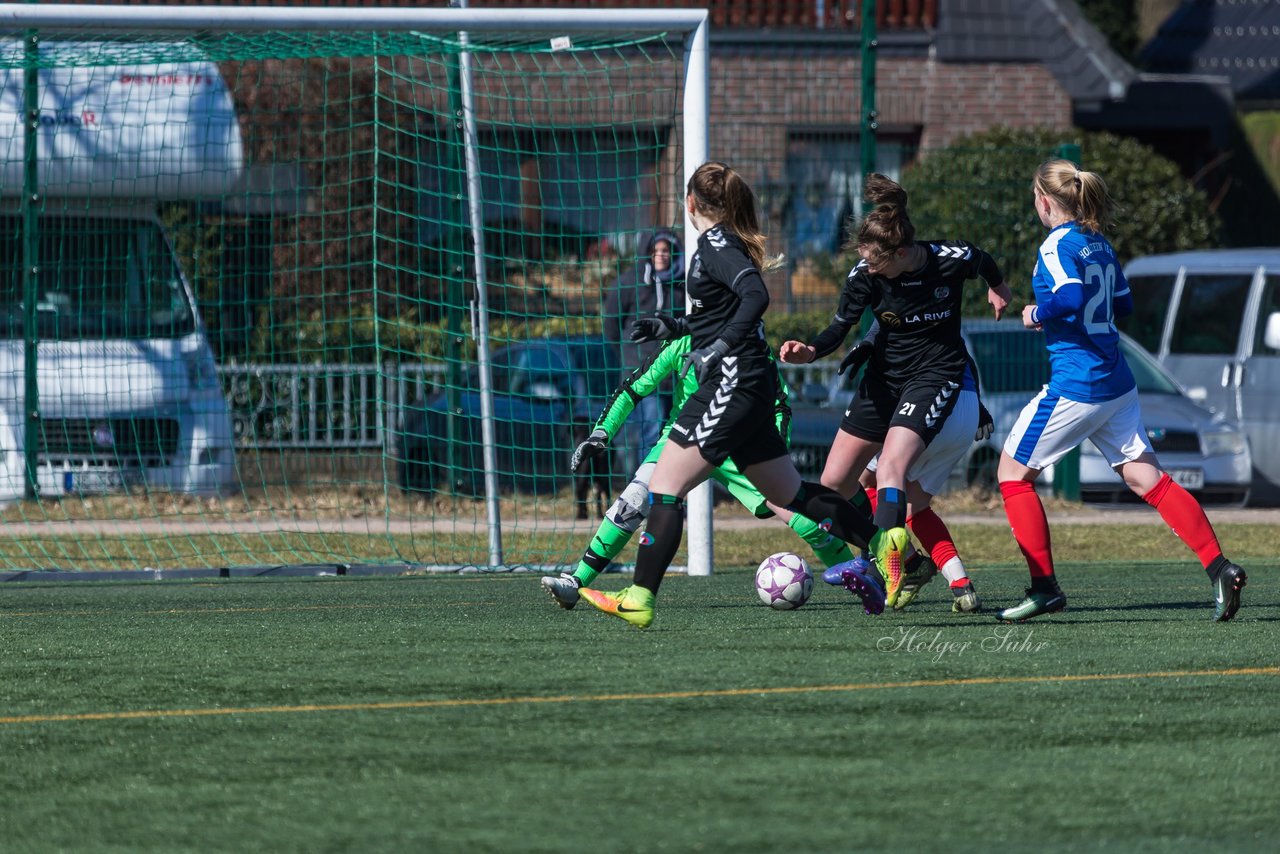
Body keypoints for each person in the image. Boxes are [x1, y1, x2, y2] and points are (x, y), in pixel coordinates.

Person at [575, 161, 883, 629]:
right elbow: (721, 311)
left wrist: (718, 347)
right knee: (792, 494)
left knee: (664, 486)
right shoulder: (723, 243)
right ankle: (885, 547)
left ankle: (639, 596)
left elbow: (755, 296)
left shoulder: (714, 244)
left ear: (691, 203)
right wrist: (674, 326)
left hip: (732, 381)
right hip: (748, 382)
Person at [995, 159, 1247, 622]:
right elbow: (1124, 303)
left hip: (1078, 383)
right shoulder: (1099, 243)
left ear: (1044, 200)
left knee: (1012, 475)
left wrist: (1035, 313)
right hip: (1117, 382)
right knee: (1146, 478)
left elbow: (1068, 298)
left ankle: (1044, 587)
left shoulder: (1056, 244)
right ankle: (1220, 567)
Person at [779, 174, 1011, 609]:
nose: (867, 266)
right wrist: (809, 351)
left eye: (875, 260)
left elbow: (983, 261)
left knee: (891, 468)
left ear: (903, 254)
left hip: (935, 374)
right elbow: (838, 329)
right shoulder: (864, 277)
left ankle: (878, 564)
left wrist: (998, 289)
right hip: (883, 379)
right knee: (832, 485)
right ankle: (908, 562)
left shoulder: (948, 259)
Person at [540, 328, 860, 611]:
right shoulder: (681, 343)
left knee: (805, 521)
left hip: (738, 444)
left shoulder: (749, 344)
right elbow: (633, 388)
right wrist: (602, 432)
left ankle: (864, 579)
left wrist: (774, 445)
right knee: (633, 501)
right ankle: (576, 582)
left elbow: (779, 403)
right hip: (682, 440)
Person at [603, 229, 685, 472]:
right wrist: (630, 356)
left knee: (673, 435)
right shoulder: (629, 282)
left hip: (674, 375)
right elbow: (611, 325)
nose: (661, 255)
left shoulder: (681, 286)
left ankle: (668, 492)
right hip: (642, 374)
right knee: (650, 431)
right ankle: (643, 491)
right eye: (656, 251)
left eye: (666, 251)